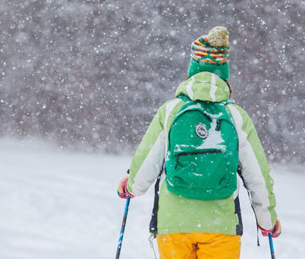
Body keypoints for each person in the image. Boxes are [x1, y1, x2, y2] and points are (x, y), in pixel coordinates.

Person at [117, 26, 281, 259]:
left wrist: (130, 185)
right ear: (224, 75)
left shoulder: (171, 110)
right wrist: (267, 220)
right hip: (221, 226)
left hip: (174, 225)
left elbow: (146, 162)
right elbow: (258, 175)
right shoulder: (236, 116)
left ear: (191, 72)